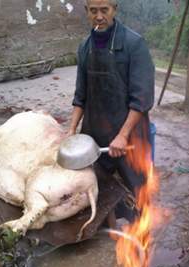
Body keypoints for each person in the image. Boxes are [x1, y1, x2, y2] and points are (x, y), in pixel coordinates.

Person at [68, 0, 155, 219]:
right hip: (95, 135)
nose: (99, 16)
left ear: (114, 9)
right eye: (93, 11)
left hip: (130, 135)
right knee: (100, 190)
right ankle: (109, 231)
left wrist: (122, 135)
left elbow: (141, 99)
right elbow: (81, 96)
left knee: (138, 192)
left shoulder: (134, 44)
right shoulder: (84, 47)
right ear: (87, 12)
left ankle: (140, 239)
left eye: (104, 10)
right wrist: (70, 132)